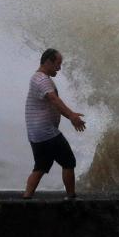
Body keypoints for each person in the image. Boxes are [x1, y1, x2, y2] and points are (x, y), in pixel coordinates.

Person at [23, 48, 86, 200]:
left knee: (40, 167)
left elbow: (53, 104)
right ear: (48, 62)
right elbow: (54, 100)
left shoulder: (38, 78)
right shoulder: (42, 80)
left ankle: (26, 198)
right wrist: (71, 116)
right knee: (69, 161)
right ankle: (71, 198)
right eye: (57, 63)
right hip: (46, 132)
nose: (59, 67)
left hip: (36, 134)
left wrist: (70, 116)